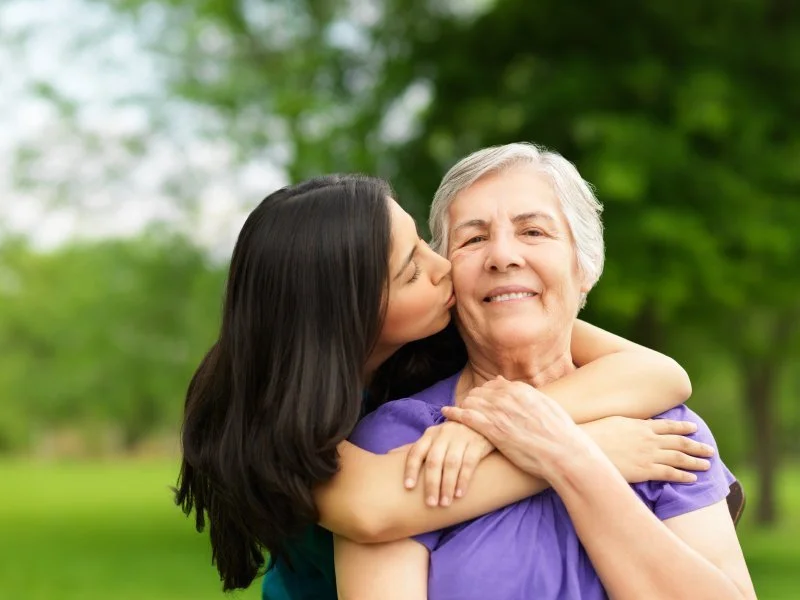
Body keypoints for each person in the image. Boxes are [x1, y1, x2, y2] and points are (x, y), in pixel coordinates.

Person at [175, 174, 712, 599]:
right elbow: (373, 509)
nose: (445, 268)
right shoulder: (278, 419)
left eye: (424, 244)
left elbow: (659, 374)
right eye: (411, 269)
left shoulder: (451, 323)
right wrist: (582, 452)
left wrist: (488, 428)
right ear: (351, 315)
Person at [336, 144, 756, 599]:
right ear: (449, 278)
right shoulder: (400, 441)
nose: (502, 256)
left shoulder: (662, 428)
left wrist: (564, 454)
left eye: (533, 231)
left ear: (585, 267)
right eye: (473, 239)